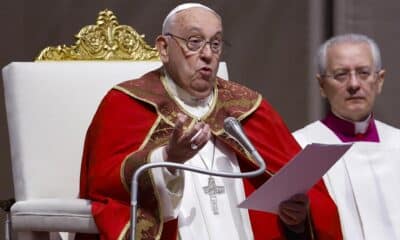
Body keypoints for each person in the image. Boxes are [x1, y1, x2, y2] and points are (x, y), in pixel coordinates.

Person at [79, 3, 342, 240]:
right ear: (163, 48)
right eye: (194, 42)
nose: (207, 54)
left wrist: (296, 219)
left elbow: (299, 200)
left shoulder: (247, 107)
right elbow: (106, 186)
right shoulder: (126, 103)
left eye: (215, 44)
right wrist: (169, 158)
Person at [293, 33, 400, 239]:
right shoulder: (300, 146)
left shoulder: (397, 143)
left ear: (380, 80)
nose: (353, 84)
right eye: (341, 74)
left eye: (363, 73)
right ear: (322, 85)